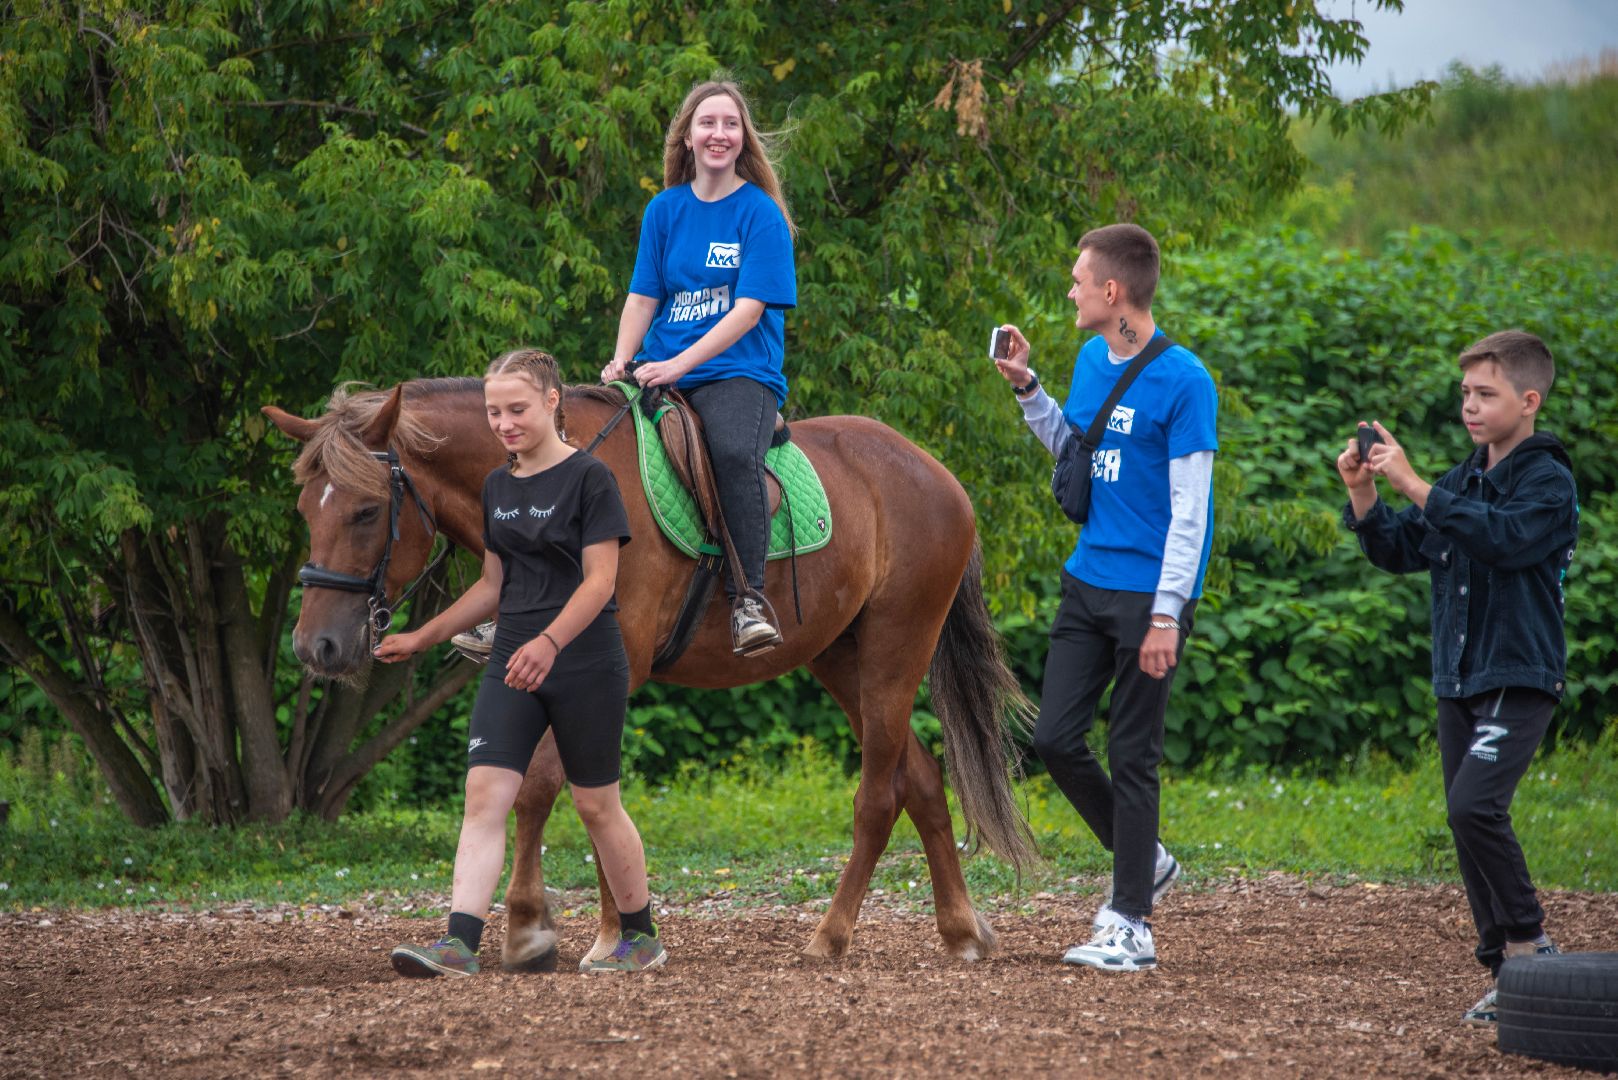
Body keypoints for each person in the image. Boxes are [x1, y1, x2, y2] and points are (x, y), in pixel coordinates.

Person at [374, 349, 665, 976]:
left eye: (517, 409)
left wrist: (550, 643)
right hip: (513, 659)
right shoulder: (497, 487)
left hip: (584, 658)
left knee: (596, 805)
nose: (504, 423)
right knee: (485, 796)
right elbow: (492, 585)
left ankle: (640, 937)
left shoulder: (591, 479)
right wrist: (421, 636)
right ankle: (458, 943)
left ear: (552, 402)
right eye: (493, 412)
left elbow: (599, 583)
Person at [993, 224, 1218, 972]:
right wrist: (1030, 389)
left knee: (1132, 752)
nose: (1071, 290)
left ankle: (1131, 923)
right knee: (1055, 738)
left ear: (1112, 292)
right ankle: (1142, 857)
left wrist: (1166, 613)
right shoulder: (1093, 360)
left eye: (1078, 279)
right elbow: (1077, 454)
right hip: (1087, 583)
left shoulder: (1186, 381)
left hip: (1149, 596)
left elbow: (1192, 510)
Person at [1336, 329, 1576, 1026]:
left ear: (1528, 402)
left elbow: (1501, 539)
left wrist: (1413, 484)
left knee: (1474, 806)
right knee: (1466, 819)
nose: (1469, 407)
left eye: (1485, 394)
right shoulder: (1463, 480)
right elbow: (1403, 549)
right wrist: (1365, 496)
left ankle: (1532, 947)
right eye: (1465, 393)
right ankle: (1506, 970)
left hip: (1520, 672)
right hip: (1460, 678)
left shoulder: (1547, 481)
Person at [600, 78, 797, 657]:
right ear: (686, 136)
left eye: (730, 124)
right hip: (659, 364)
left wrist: (677, 364)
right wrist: (621, 360)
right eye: (707, 123)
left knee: (734, 452)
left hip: (739, 372)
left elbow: (748, 310)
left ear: (743, 139)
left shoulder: (760, 215)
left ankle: (748, 600)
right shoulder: (664, 210)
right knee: (583, 441)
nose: (719, 133)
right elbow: (643, 297)